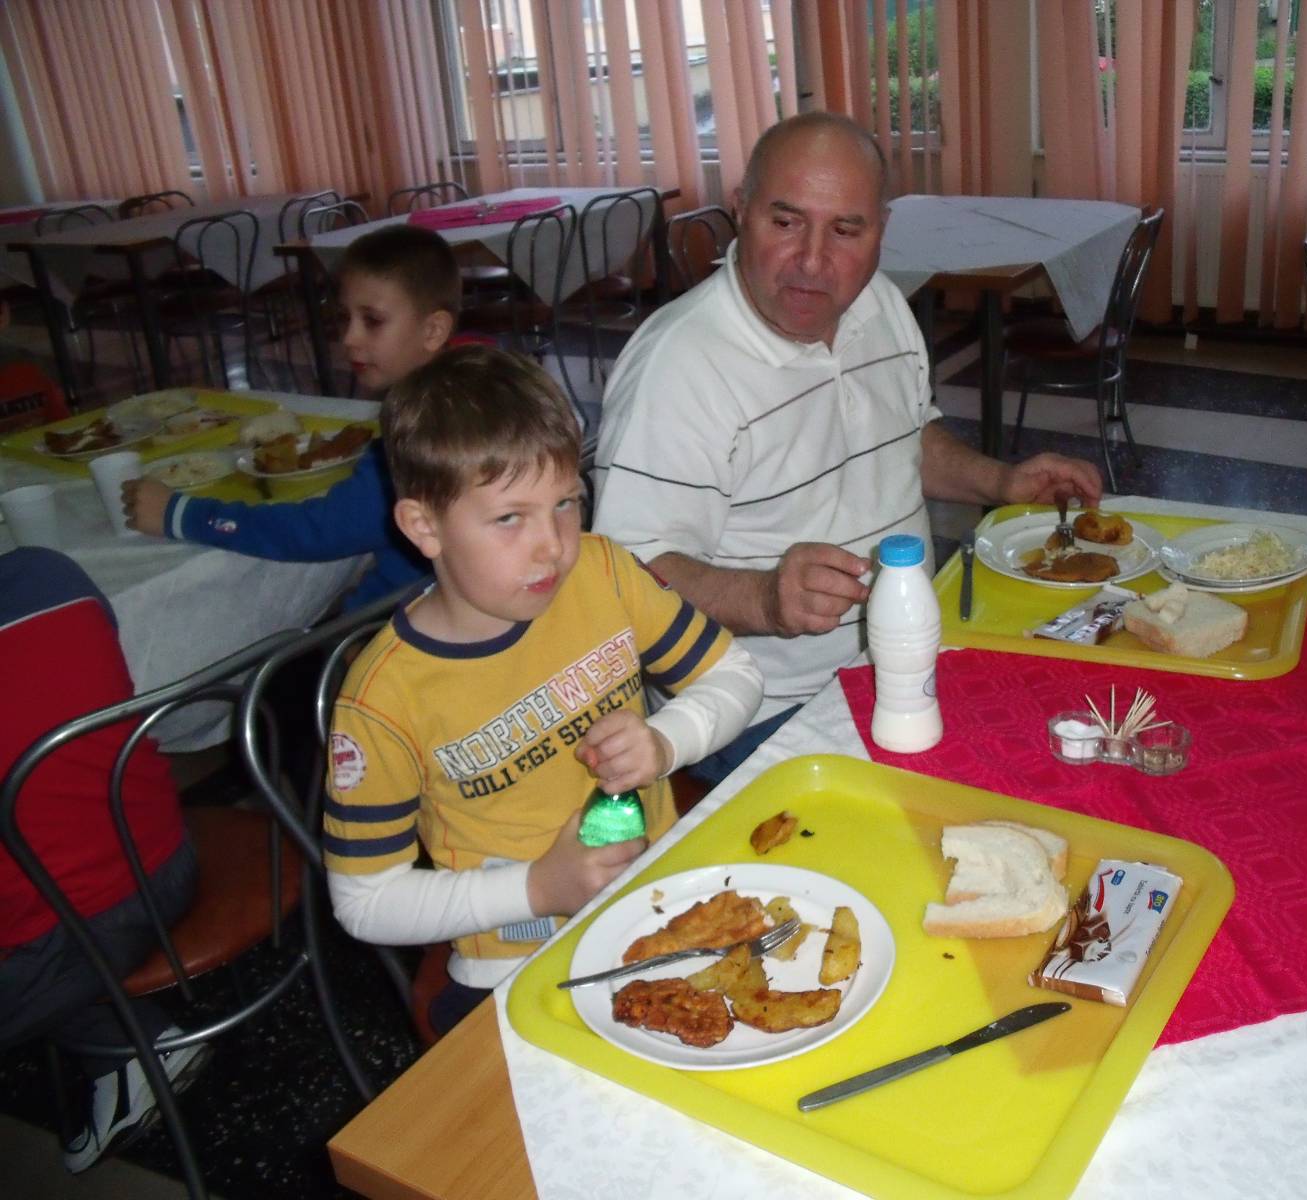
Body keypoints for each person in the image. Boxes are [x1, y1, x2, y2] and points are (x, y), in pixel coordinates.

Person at [593, 112, 1102, 783]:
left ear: (880, 232)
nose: (811, 260)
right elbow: (622, 578)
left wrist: (1000, 483)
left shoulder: (879, 304)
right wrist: (764, 599)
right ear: (741, 211)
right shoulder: (677, 366)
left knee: (1075, 744)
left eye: (845, 230)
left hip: (907, 658)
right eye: (785, 221)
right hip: (759, 713)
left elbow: (905, 438)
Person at [322, 345, 763, 1037]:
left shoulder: (603, 573)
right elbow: (365, 902)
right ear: (424, 527)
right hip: (515, 961)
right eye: (510, 518)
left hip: (660, 902)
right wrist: (536, 888)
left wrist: (665, 741)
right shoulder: (383, 699)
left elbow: (735, 676)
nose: (553, 546)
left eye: (565, 504)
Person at [120, 224, 462, 611]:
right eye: (344, 318)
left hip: (402, 624)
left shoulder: (418, 441)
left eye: (372, 320)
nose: (348, 338)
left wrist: (180, 514)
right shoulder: (462, 399)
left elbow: (318, 531)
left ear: (433, 330)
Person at [0, 547, 209, 1173]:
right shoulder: (48, 572)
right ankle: (129, 1047)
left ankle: (129, 1044)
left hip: (65, 932)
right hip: (166, 859)